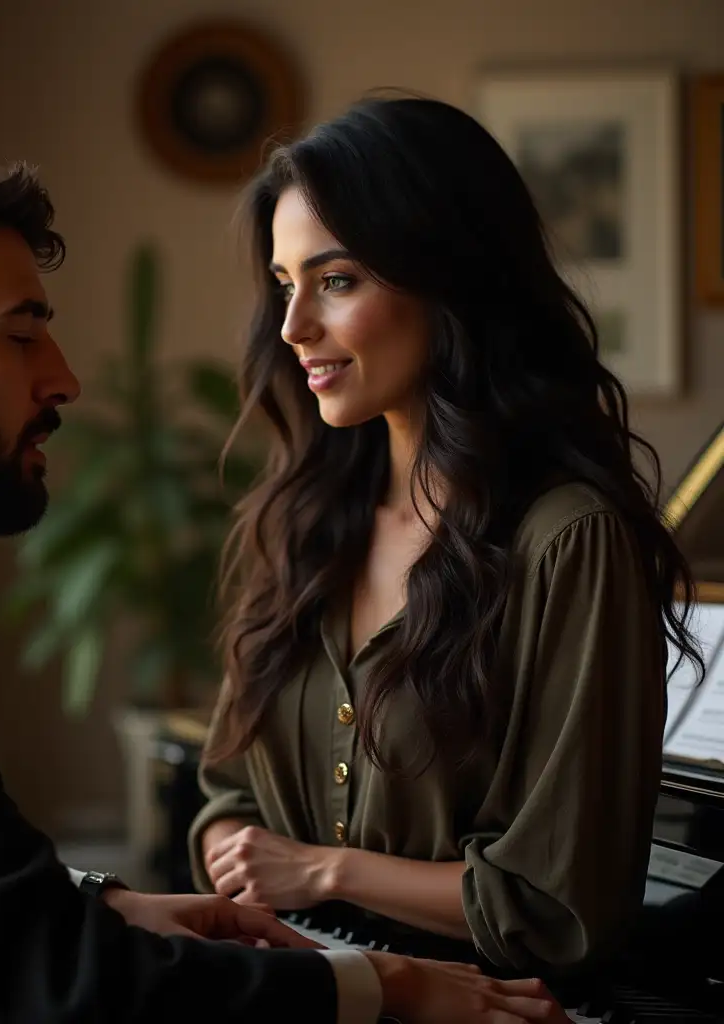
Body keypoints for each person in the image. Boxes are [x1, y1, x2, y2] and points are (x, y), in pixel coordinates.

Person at [0, 140, 565, 1024]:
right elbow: (44, 990)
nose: (65, 377)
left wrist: (103, 905)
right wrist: (383, 986)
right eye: (23, 332)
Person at [189, 93, 702, 974]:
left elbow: (556, 904)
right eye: (285, 284)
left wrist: (321, 870)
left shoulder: (571, 544)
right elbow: (224, 801)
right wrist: (244, 853)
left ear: (450, 275)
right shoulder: (300, 523)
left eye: (336, 280)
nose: (292, 328)